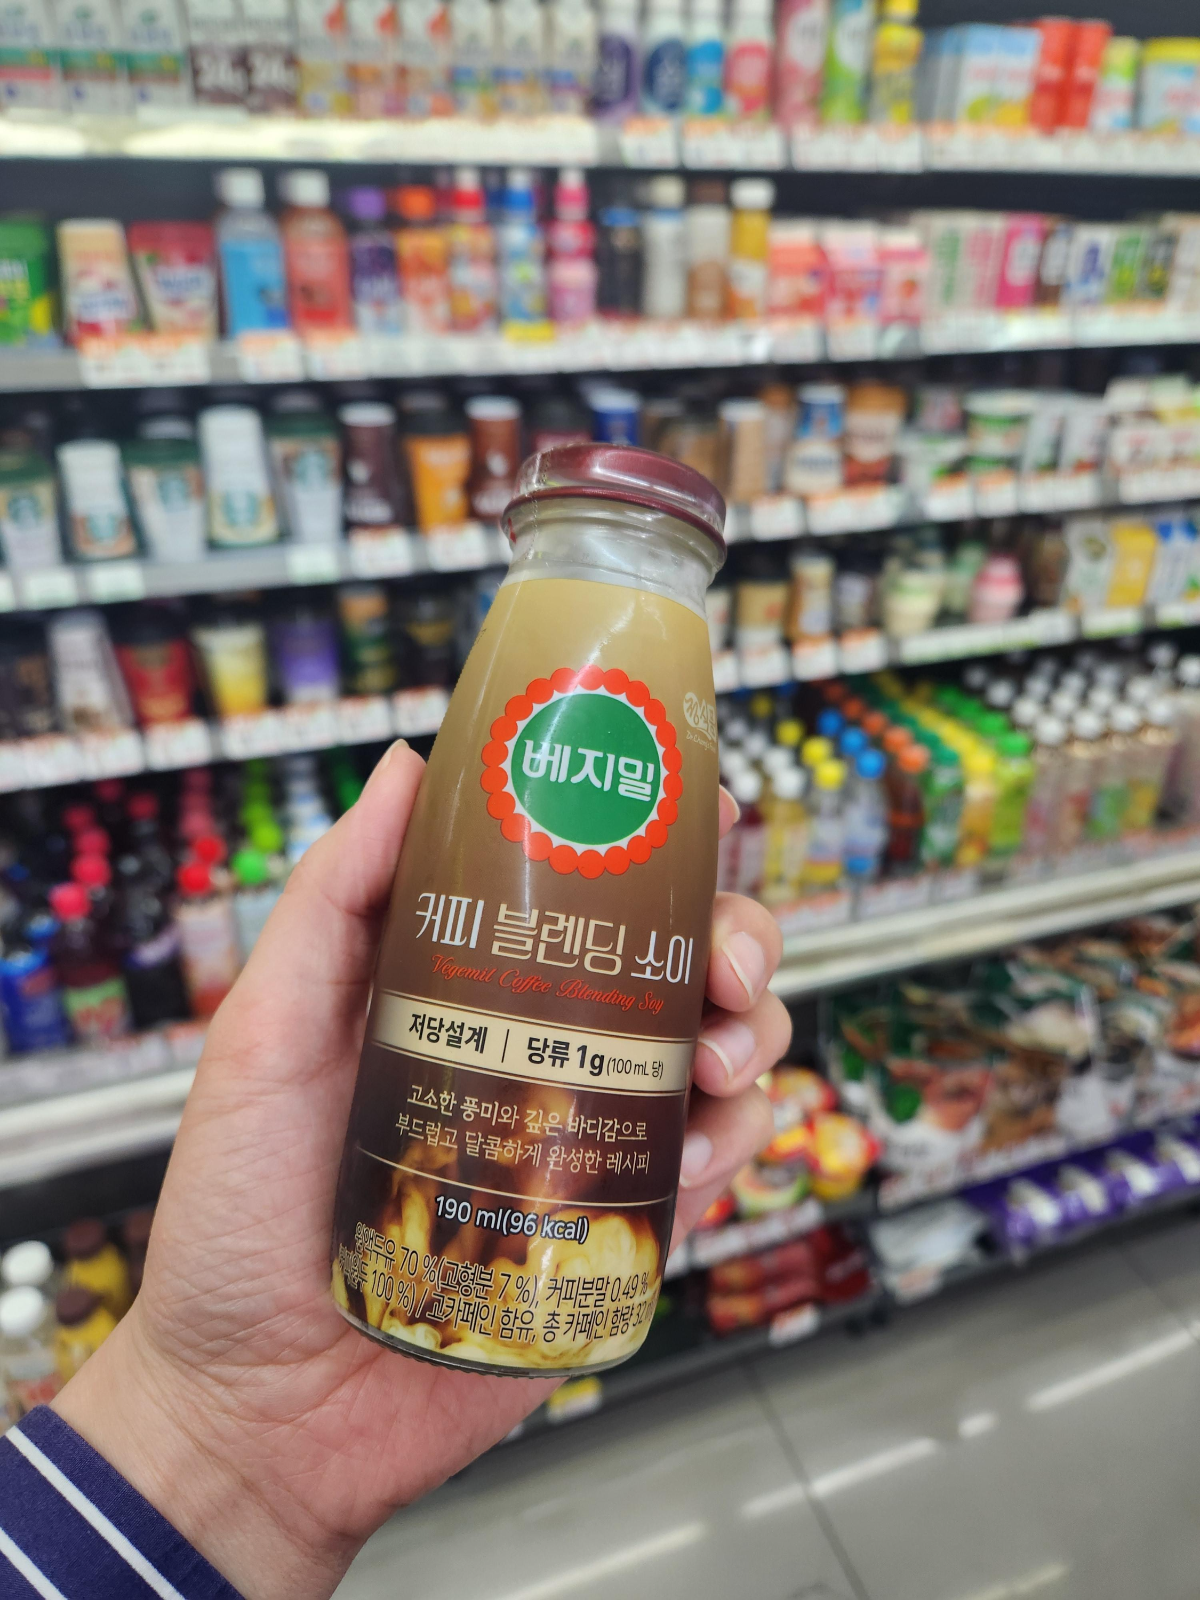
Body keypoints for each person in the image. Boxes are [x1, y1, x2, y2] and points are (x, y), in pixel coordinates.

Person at [0, 741, 791, 1600]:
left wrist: (219, 1445)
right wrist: (212, 1426)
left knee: (665, 963)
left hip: (541, 1285)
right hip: (380, 1267)